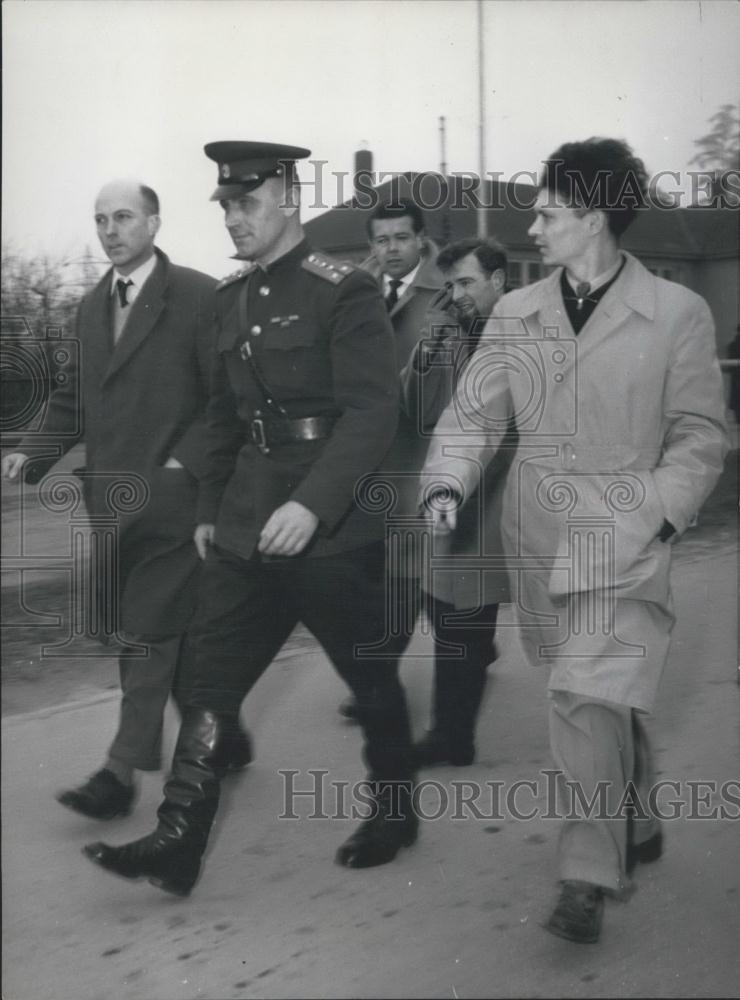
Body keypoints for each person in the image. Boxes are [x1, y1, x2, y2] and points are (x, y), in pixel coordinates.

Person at [82, 140, 418, 896]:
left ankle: (395, 810)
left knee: (368, 678)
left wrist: (312, 503)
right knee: (208, 678)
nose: (234, 218)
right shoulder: (230, 298)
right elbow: (223, 416)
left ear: (289, 200)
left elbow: (372, 412)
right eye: (227, 205)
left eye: (249, 202)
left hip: (330, 529)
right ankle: (179, 839)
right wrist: (209, 509)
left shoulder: (344, 290)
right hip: (245, 524)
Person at [421, 138, 728, 943]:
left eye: (549, 213)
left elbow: (700, 434)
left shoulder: (677, 313)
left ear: (594, 220)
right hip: (536, 537)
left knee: (581, 697)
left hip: (624, 538)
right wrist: (446, 484)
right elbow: (474, 414)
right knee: (593, 695)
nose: (533, 227)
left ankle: (587, 874)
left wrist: (661, 513)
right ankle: (640, 811)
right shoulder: (516, 312)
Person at [1, 181, 251, 820]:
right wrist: (31, 451)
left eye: (123, 217)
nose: (110, 230)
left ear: (154, 223)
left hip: (175, 503)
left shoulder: (199, 295)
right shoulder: (90, 307)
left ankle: (118, 774)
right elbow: (73, 398)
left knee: (146, 633)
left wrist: (183, 462)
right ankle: (223, 734)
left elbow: (228, 396)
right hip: (111, 506)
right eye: (100, 220)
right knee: (158, 630)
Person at [400, 237, 517, 767]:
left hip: (497, 493)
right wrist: (427, 352)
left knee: (459, 610)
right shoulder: (450, 332)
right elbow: (414, 407)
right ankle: (468, 681)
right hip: (452, 487)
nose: (457, 294)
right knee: (446, 603)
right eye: (449, 285)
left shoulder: (521, 333)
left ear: (499, 280)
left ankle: (452, 737)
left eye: (467, 282)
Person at [338, 197, 444, 722]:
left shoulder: (447, 293)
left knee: (407, 567)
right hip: (366, 453)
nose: (392, 249)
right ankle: (477, 644)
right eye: (382, 240)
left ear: (421, 238)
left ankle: (376, 680)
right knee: (370, 566)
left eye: (402, 238)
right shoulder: (354, 290)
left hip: (422, 452)